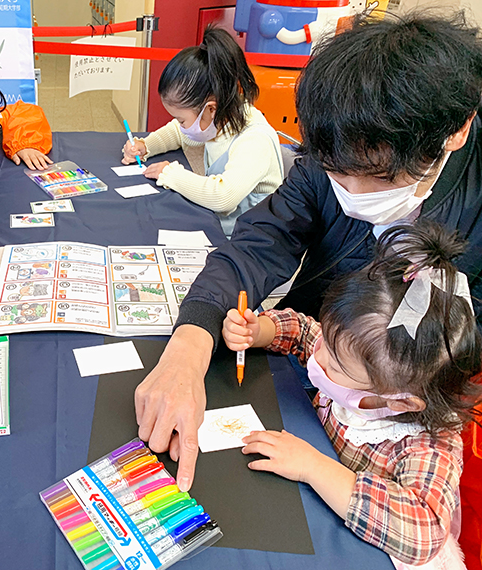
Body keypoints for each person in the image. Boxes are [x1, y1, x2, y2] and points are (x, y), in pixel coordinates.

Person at [133, 11, 482, 510]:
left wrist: (376, 379)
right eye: (336, 172)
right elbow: (259, 243)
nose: (349, 193)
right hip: (315, 365)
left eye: (375, 176)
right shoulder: (339, 142)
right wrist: (188, 347)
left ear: (457, 131)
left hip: (392, 416)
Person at [225, 221, 481, 568]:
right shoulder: (352, 357)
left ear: (401, 401)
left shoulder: (428, 443)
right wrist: (260, 330)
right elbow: (304, 331)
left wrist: (313, 467)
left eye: (336, 365)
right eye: (328, 344)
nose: (318, 357)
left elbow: (423, 532)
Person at [121, 26, 283, 237]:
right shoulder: (220, 120)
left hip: (251, 240)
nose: (180, 125)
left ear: (210, 108)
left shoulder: (254, 140)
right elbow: (178, 133)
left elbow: (223, 198)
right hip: (222, 225)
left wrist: (170, 174)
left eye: (182, 119)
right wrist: (146, 146)